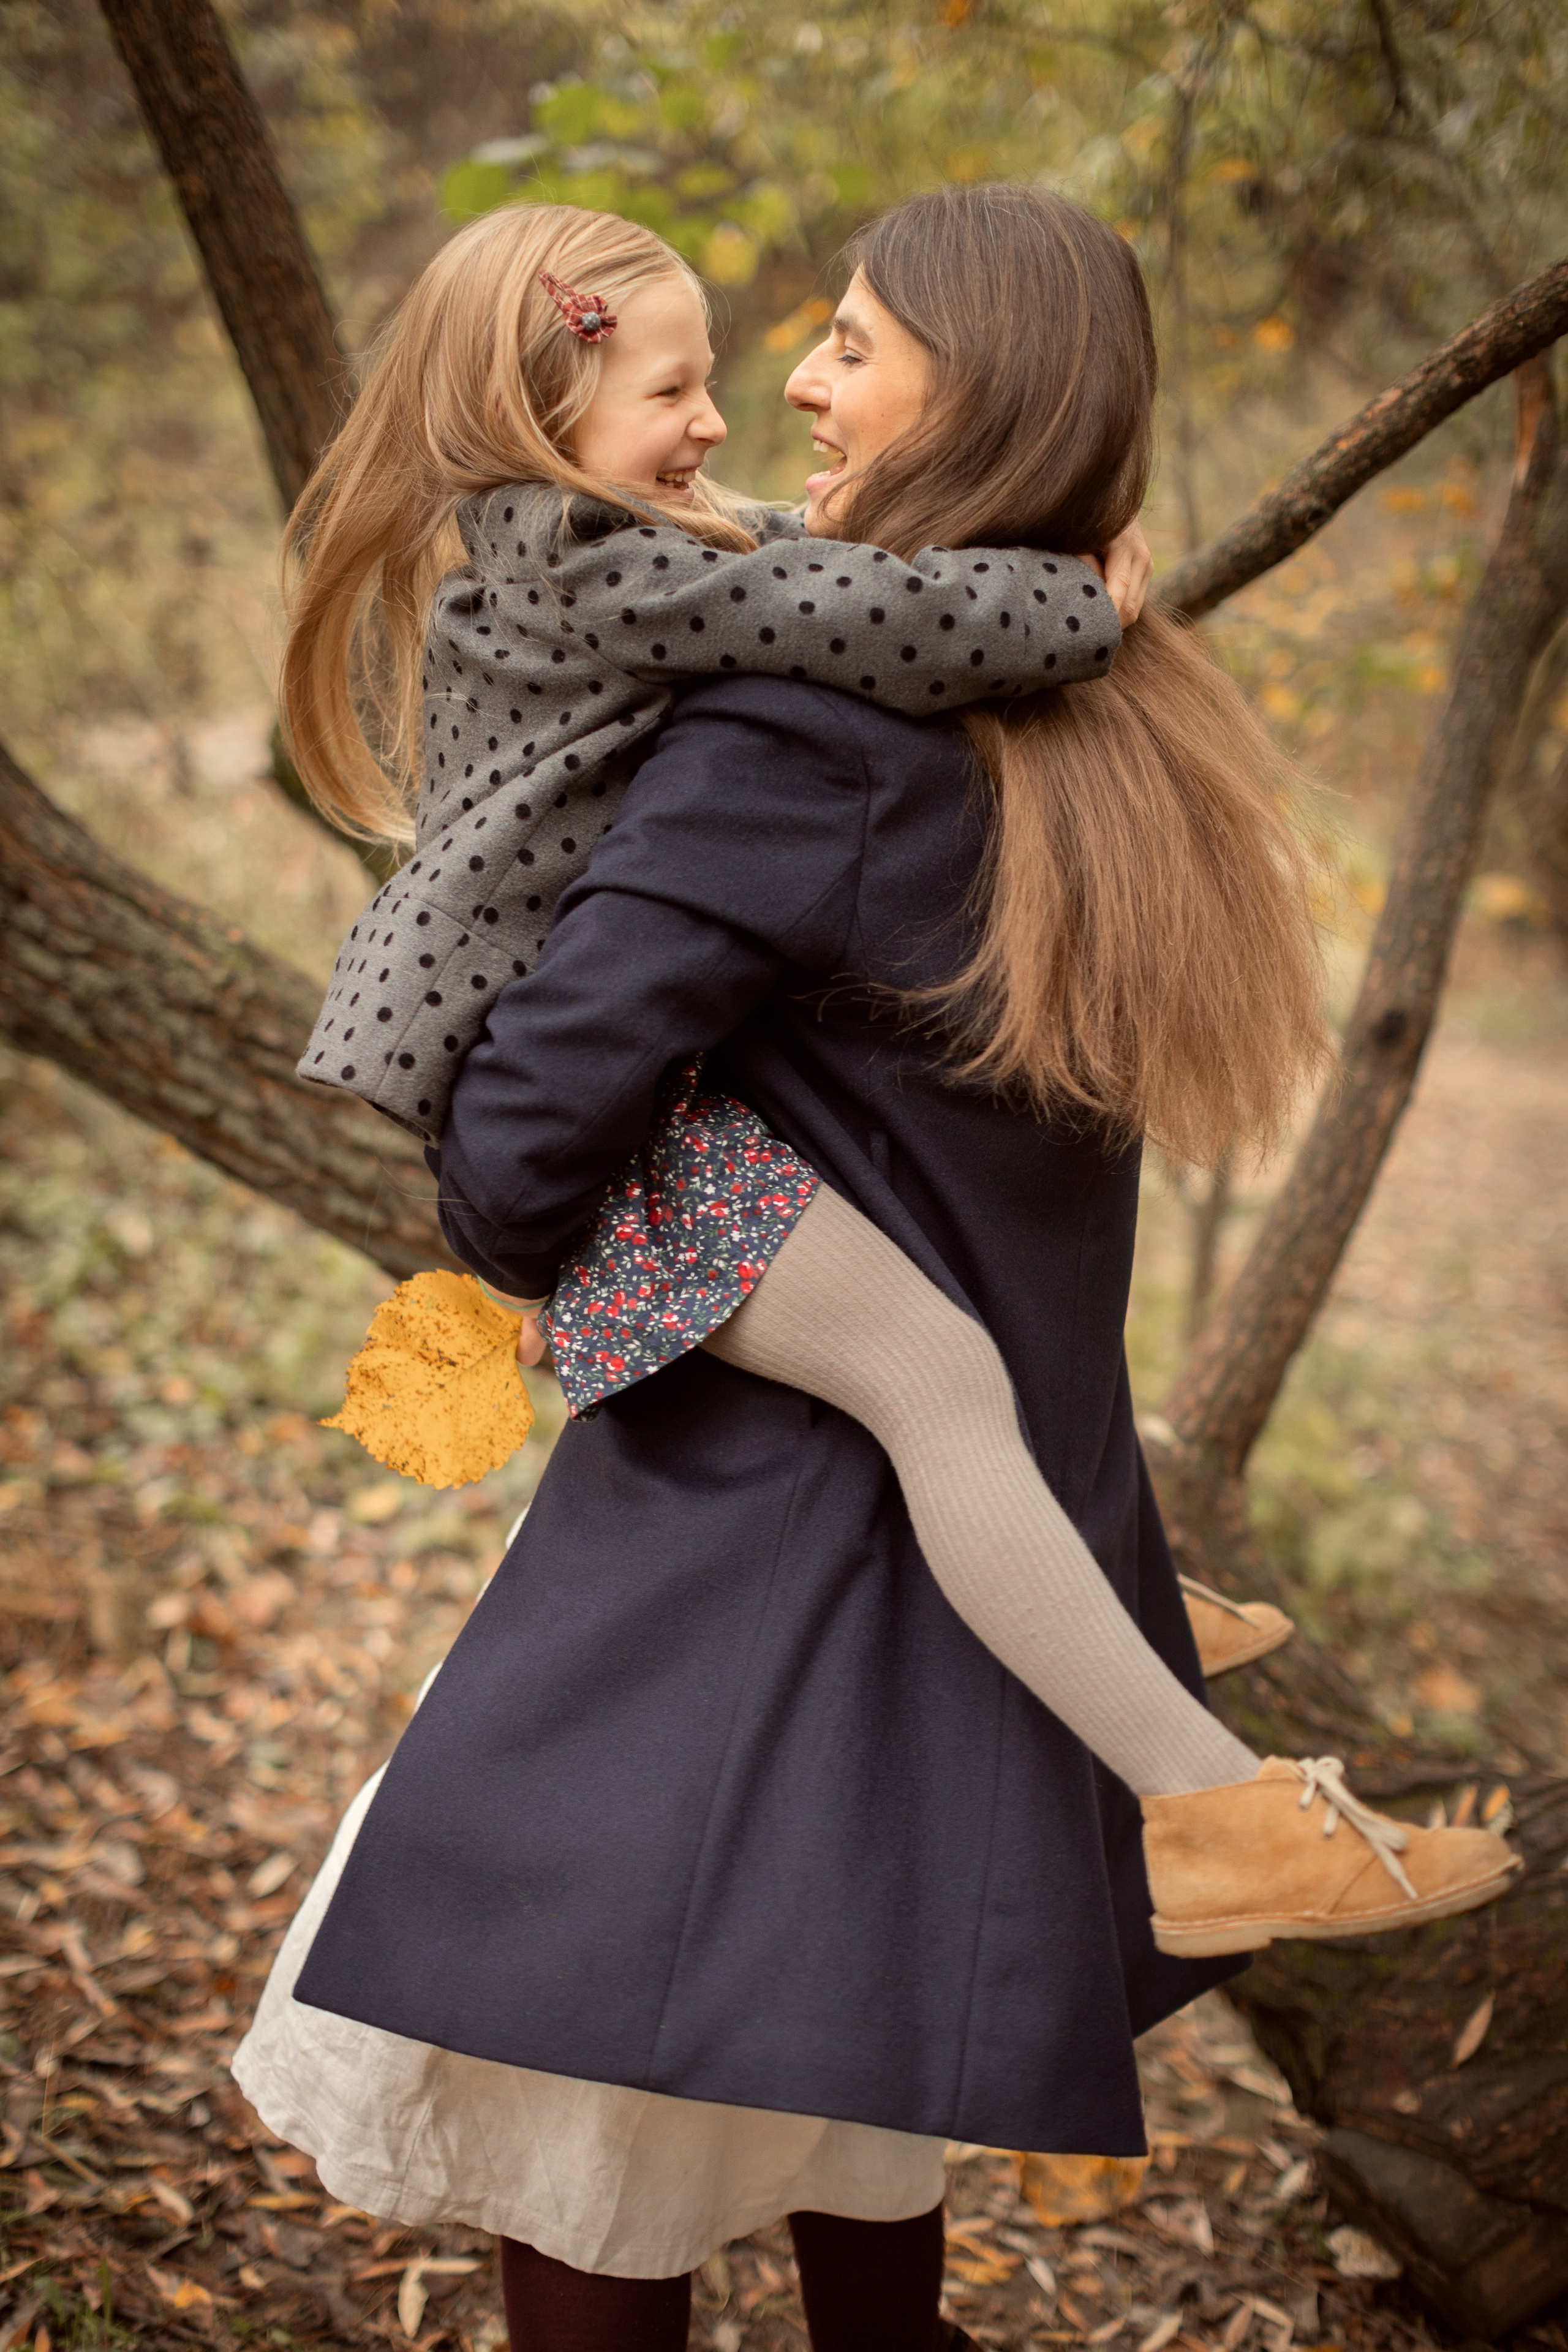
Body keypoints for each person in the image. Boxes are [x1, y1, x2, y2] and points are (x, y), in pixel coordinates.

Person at [236, 186, 1518, 2352]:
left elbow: (529, 1136)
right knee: (851, 2157)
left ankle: (1199, 1770)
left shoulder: (806, 730)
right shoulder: (1100, 715)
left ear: (974, 387)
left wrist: (539, 1240)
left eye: (848, 342)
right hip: (915, 1595)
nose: (791, 390)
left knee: (608, 2152)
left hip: (741, 1575)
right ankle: (1145, 1652)